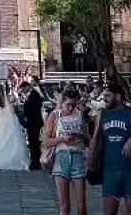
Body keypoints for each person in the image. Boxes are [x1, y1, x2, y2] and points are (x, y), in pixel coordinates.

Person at [88, 79, 131, 215]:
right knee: (109, 211)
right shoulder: (101, 115)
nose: (104, 99)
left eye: (107, 96)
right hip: (110, 169)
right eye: (103, 96)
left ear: (118, 96)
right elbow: (95, 139)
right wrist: (90, 163)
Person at [44, 87, 89, 215]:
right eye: (68, 105)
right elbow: (46, 141)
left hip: (77, 157)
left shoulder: (79, 115)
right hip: (61, 157)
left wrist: (80, 136)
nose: (70, 108)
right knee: (64, 205)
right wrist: (62, 139)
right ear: (62, 102)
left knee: (81, 204)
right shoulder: (55, 115)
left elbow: (88, 141)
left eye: (74, 105)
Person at [22, 75, 46, 171]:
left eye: (32, 81)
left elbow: (34, 105)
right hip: (32, 120)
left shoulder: (36, 91)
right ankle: (35, 161)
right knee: (33, 142)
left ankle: (35, 162)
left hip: (34, 120)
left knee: (34, 142)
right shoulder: (33, 92)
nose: (30, 83)